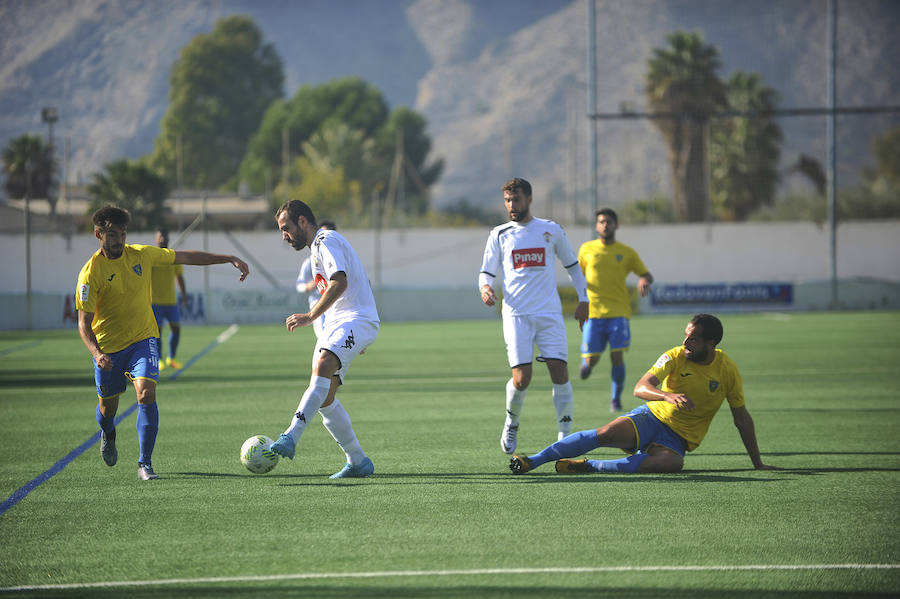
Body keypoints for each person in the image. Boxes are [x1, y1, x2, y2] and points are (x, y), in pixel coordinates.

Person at [76, 206, 249, 480]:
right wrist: (97, 353)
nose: (118, 240)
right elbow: (83, 324)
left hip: (143, 339)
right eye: (111, 234)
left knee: (146, 393)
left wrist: (227, 258)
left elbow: (186, 257)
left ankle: (145, 463)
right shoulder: (90, 274)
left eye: (122, 233)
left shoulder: (142, 255)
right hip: (108, 349)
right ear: (98, 234)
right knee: (107, 409)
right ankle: (108, 432)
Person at [508, 314, 781, 475]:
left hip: (678, 440)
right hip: (652, 417)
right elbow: (640, 387)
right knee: (605, 434)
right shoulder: (675, 355)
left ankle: (589, 466)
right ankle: (532, 460)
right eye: (686, 335)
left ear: (712, 343)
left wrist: (757, 463)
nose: (685, 342)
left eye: (693, 339)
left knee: (672, 464)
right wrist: (666, 396)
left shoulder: (727, 370)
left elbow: (742, 418)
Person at [479, 177, 589, 455]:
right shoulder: (500, 234)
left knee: (559, 371)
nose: (511, 205)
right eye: (507, 200)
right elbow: (486, 272)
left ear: (529, 199)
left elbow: (573, 266)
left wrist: (584, 299)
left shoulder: (550, 230)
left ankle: (565, 435)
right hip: (516, 315)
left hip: (549, 314)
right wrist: (484, 287)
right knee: (522, 378)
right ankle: (511, 422)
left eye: (516, 199)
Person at [269, 201, 379, 478]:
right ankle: (357, 460)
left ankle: (290, 435)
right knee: (325, 397)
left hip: (357, 320)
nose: (284, 235)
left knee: (322, 366)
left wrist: (309, 316)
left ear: (303, 222)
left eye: (286, 228)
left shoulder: (325, 240)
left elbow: (339, 282)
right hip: (342, 324)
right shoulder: (316, 249)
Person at [577, 208, 653, 412]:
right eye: (601, 222)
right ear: (596, 226)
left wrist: (644, 280)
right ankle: (587, 365)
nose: (605, 225)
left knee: (617, 356)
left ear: (616, 225)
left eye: (609, 221)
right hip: (593, 313)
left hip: (619, 312)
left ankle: (615, 399)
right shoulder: (586, 249)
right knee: (592, 359)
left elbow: (646, 274)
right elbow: (577, 276)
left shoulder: (626, 252)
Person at [151, 229, 187, 370]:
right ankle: (159, 359)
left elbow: (179, 277)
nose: (163, 239)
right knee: (157, 332)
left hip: (171, 301)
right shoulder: (152, 257)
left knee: (176, 329)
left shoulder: (173, 257)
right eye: (160, 236)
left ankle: (171, 358)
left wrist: (184, 295)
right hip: (154, 301)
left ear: (168, 239)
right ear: (156, 239)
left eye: (165, 237)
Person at [295, 220, 336, 340]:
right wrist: (307, 286)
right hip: (317, 303)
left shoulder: (339, 257)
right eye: (322, 233)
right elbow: (299, 285)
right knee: (324, 337)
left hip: (336, 303)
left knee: (335, 339)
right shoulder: (310, 261)